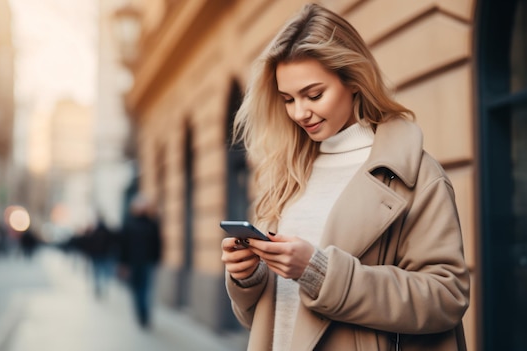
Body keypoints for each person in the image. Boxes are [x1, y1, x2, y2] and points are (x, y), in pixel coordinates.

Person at [220, 3, 470, 351]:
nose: (300, 112)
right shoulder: (287, 175)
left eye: (314, 94)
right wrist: (249, 276)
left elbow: (447, 297)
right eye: (287, 99)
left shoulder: (416, 175)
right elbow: (264, 317)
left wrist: (320, 271)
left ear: (353, 80)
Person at [120, 194, 162, 329]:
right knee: (135, 289)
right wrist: (123, 263)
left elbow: (158, 243)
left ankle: (145, 316)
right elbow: (123, 245)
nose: (141, 208)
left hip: (147, 261)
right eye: (139, 205)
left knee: (145, 289)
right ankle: (139, 313)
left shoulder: (152, 222)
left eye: (143, 205)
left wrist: (157, 259)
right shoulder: (129, 222)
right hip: (133, 262)